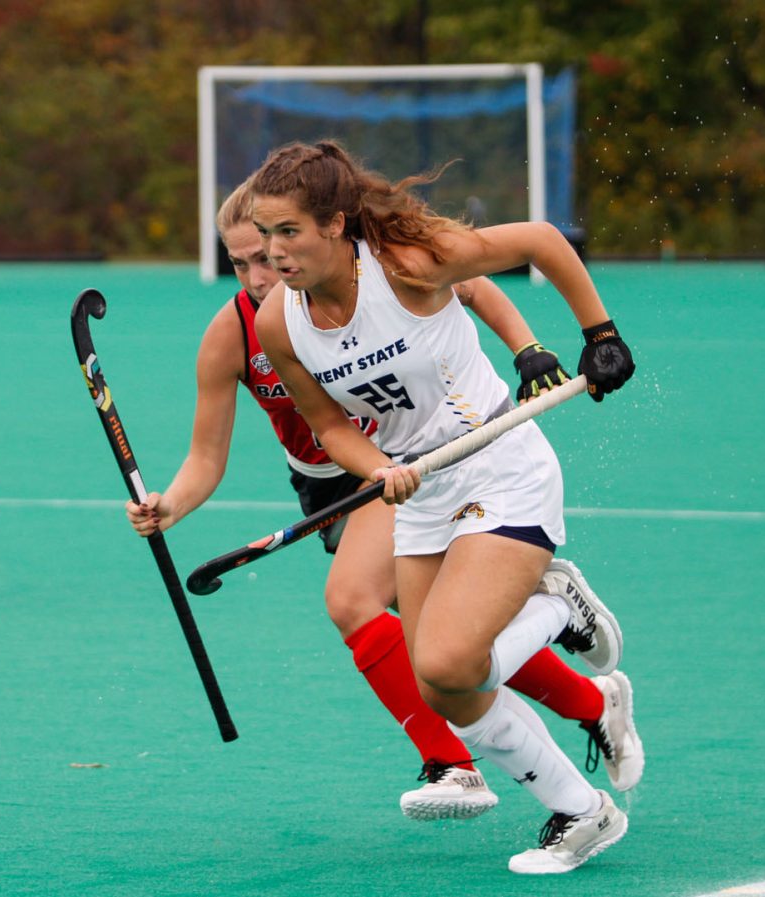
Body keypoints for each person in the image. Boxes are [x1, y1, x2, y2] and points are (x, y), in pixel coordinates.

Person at [127, 179, 643, 823]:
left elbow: (474, 282)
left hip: (410, 461)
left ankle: (451, 763)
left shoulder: (374, 271)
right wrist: (170, 505)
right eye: (243, 261)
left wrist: (529, 347)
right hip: (335, 476)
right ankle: (592, 705)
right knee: (437, 639)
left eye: (270, 250)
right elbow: (208, 457)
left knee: (353, 601)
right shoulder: (241, 332)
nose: (262, 271)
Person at [249, 141, 636, 873]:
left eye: (287, 232)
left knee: (453, 655)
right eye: (265, 236)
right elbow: (331, 426)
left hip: (499, 463)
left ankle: (558, 602)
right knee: (444, 686)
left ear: (335, 224)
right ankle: (584, 811)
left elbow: (540, 241)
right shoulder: (280, 322)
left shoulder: (405, 265)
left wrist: (600, 333)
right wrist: (379, 467)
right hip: (424, 491)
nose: (273, 252)